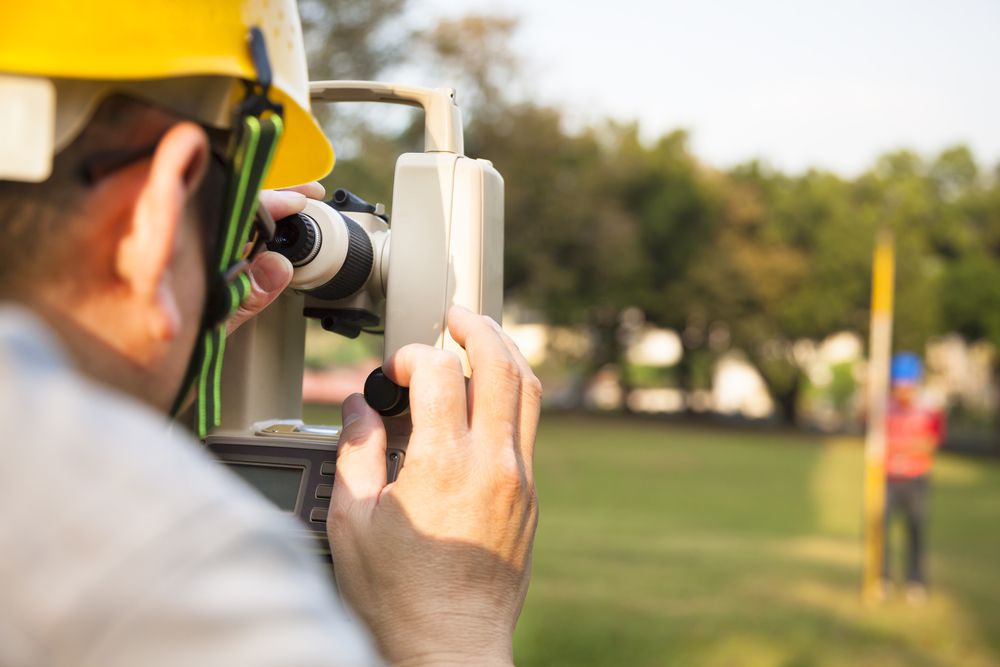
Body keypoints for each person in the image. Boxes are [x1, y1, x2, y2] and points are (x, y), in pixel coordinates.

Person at [0, 2, 540, 665]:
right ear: (155, 214)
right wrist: (452, 629)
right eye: (232, 228)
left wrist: (130, 357)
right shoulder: (170, 572)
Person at [882, 352, 944, 604]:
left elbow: (929, 444)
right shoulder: (884, 407)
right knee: (881, 529)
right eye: (898, 386)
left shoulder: (929, 409)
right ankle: (882, 578)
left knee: (915, 530)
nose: (902, 392)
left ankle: (915, 581)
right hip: (888, 478)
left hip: (916, 478)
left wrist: (901, 448)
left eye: (906, 386)